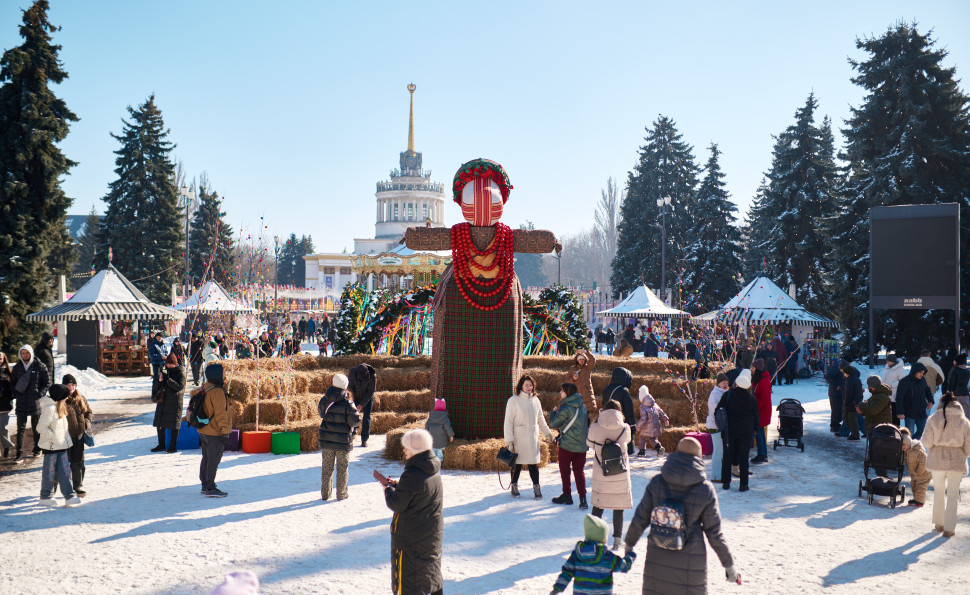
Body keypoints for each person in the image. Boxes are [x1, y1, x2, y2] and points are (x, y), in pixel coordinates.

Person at [624, 437, 738, 593]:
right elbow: (714, 533)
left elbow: (640, 517)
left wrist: (629, 544)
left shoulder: (657, 482)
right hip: (690, 562)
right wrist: (729, 565)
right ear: (698, 457)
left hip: (658, 554)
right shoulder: (704, 489)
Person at [378, 428, 444, 595]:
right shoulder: (431, 469)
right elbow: (420, 492)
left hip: (410, 542)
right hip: (429, 537)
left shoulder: (413, 474)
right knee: (430, 576)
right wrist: (400, 485)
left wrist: (387, 489)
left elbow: (396, 504)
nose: (403, 450)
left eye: (406, 447)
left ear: (415, 450)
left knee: (409, 585)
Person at [921, 391, 970, 537]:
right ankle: (949, 528)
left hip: (937, 460)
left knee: (939, 492)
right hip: (956, 460)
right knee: (953, 494)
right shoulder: (964, 421)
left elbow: (926, 442)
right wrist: (962, 454)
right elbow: (968, 446)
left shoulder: (933, 419)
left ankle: (939, 523)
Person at [586, 401, 633, 550]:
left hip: (602, 472)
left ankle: (592, 540)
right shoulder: (625, 428)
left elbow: (590, 444)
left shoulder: (595, 427)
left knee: (598, 505)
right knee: (618, 506)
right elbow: (629, 441)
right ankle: (618, 540)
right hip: (620, 472)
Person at [551, 514, 636, 595]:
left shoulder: (577, 554)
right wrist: (629, 554)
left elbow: (566, 572)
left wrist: (557, 588)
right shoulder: (607, 556)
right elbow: (624, 567)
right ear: (602, 538)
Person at [503, 375, 554, 499]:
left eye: (531, 385)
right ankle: (514, 485)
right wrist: (509, 440)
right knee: (517, 464)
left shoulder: (535, 400)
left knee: (533, 464)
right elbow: (508, 421)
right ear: (521, 386)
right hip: (518, 438)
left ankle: (536, 487)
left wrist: (548, 433)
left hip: (531, 437)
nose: (529, 388)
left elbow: (540, 419)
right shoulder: (513, 400)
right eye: (526, 385)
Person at [318, 373, 360, 501]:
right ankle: (341, 494)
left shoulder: (324, 400)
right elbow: (355, 422)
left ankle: (325, 494)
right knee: (342, 469)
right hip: (343, 442)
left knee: (327, 468)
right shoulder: (348, 403)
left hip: (326, 439)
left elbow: (321, 413)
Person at [37, 384, 81, 506]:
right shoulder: (50, 409)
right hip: (51, 448)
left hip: (61, 446)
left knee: (65, 472)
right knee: (49, 473)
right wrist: (53, 438)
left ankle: (69, 496)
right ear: (59, 396)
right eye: (65, 396)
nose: (67, 398)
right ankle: (45, 497)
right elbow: (40, 427)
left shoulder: (60, 407)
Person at [549, 382, 590, 507]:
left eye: (562, 391)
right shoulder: (582, 406)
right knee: (579, 472)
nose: (560, 393)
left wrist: (553, 413)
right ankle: (583, 499)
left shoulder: (566, 408)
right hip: (581, 446)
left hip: (567, 446)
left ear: (567, 392)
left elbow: (553, 424)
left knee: (565, 471)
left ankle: (567, 495)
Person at [719, 369, 758, 491]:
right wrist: (755, 428)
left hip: (730, 431)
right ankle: (743, 485)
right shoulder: (751, 398)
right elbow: (756, 415)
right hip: (746, 432)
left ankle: (726, 482)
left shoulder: (728, 395)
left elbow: (718, 411)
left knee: (727, 457)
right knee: (744, 458)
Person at [198, 363, 232, 497]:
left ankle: (205, 485)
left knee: (206, 458)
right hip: (214, 431)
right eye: (223, 372)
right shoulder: (217, 391)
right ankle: (210, 488)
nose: (225, 374)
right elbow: (220, 414)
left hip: (204, 430)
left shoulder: (206, 388)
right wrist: (225, 431)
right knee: (213, 460)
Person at [12, 344, 50, 461]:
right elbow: (12, 383)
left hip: (35, 402)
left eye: (27, 353)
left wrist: (40, 393)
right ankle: (19, 453)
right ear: (20, 354)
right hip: (21, 402)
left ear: (31, 353)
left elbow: (47, 382)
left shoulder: (40, 366)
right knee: (20, 429)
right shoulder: (17, 367)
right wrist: (16, 394)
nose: (25, 355)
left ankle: (37, 449)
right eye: (23, 353)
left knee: (36, 428)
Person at [62, 374, 93, 497]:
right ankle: (54, 486)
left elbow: (89, 412)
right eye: (68, 385)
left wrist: (86, 422)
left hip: (79, 436)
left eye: (73, 385)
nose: (71, 387)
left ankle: (78, 486)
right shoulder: (60, 399)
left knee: (78, 462)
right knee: (62, 464)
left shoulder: (81, 398)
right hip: (65, 437)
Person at [152, 353, 185, 453]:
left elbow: (179, 387)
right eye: (168, 364)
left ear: (175, 364)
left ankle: (173, 446)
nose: (169, 366)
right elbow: (156, 387)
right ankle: (161, 444)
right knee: (160, 424)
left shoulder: (180, 373)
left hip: (174, 402)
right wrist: (159, 380)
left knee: (174, 424)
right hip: (163, 400)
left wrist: (168, 380)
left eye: (171, 364)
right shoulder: (164, 372)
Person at [601, 367, 636, 455]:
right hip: (621, 421)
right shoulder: (623, 391)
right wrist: (632, 425)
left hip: (608, 420)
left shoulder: (607, 389)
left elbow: (603, 404)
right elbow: (629, 409)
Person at [896, 362, 934, 439]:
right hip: (910, 413)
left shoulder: (922, 380)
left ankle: (911, 444)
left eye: (923, 373)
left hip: (922, 412)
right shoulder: (904, 381)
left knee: (922, 432)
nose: (922, 374)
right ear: (914, 371)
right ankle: (907, 448)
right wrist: (900, 412)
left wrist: (931, 400)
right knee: (909, 434)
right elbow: (899, 397)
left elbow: (928, 390)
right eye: (920, 372)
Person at [706, 373, 730, 482]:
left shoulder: (724, 393)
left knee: (721, 451)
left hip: (721, 425)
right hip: (715, 425)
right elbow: (717, 411)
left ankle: (721, 473)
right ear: (718, 383)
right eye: (723, 383)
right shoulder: (715, 394)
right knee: (718, 450)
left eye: (727, 383)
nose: (725, 385)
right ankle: (716, 475)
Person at [899, 427, 932, 508]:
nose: (903, 448)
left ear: (908, 443)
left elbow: (924, 461)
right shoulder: (907, 451)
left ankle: (919, 501)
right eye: (901, 447)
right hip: (915, 473)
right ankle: (916, 499)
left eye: (904, 446)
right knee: (914, 485)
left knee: (921, 487)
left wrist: (919, 472)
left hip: (924, 473)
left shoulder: (918, 450)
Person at [348, 363, 376, 448]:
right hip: (355, 396)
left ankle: (364, 439)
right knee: (352, 415)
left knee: (366, 417)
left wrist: (361, 405)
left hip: (367, 397)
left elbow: (370, 392)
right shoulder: (352, 372)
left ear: (367, 373)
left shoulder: (372, 376)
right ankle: (352, 435)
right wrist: (352, 401)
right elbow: (350, 388)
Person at [635, 386, 669, 457]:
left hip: (647, 425)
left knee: (642, 437)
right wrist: (666, 419)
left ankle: (642, 452)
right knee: (653, 438)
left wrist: (638, 426)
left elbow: (644, 418)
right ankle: (659, 448)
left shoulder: (642, 407)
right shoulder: (654, 404)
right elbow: (661, 411)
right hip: (656, 425)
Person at [565, 348, 598, 422]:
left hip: (586, 395)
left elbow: (593, 360)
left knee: (586, 417)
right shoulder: (572, 369)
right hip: (576, 396)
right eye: (580, 359)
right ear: (577, 360)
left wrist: (586, 352)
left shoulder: (587, 368)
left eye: (583, 359)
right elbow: (566, 380)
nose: (581, 360)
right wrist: (573, 378)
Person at [751, 358, 773, 461]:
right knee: (760, 433)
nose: (752, 370)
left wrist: (754, 409)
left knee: (758, 433)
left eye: (753, 368)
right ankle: (763, 454)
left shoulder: (764, 381)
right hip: (761, 410)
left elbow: (764, 399)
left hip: (761, 412)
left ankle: (761, 454)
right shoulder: (760, 379)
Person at [839, 360, 864, 442]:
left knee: (851, 419)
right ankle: (855, 433)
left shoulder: (850, 380)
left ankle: (855, 434)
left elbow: (848, 393)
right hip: (855, 402)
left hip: (851, 403)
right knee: (849, 418)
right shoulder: (854, 379)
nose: (843, 374)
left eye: (844, 373)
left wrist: (845, 402)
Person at [881, 353, 907, 425]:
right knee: (888, 415)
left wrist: (892, 384)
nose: (886, 362)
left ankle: (896, 430)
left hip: (894, 396)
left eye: (888, 361)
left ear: (892, 361)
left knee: (895, 416)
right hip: (886, 395)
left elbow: (904, 382)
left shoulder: (900, 370)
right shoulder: (887, 368)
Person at [946, 353, 970, 418]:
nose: (953, 361)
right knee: (966, 412)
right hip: (965, 393)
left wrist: (948, 392)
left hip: (956, 394)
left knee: (956, 411)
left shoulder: (955, 370)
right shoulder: (967, 371)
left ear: (957, 362)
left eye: (955, 360)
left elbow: (952, 383)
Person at [0, 352, 14, 459]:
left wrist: (8, 397)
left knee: (3, 429)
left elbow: (13, 389)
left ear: (4, 359)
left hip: (4, 406)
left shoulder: (9, 373)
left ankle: (7, 446)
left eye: (0, 358)